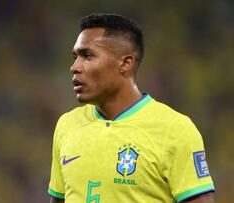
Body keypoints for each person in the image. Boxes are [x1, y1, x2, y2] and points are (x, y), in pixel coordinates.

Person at [48, 13, 215, 203]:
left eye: (87, 56)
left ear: (125, 63)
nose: (75, 67)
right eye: (75, 56)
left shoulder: (174, 129)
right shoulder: (67, 125)